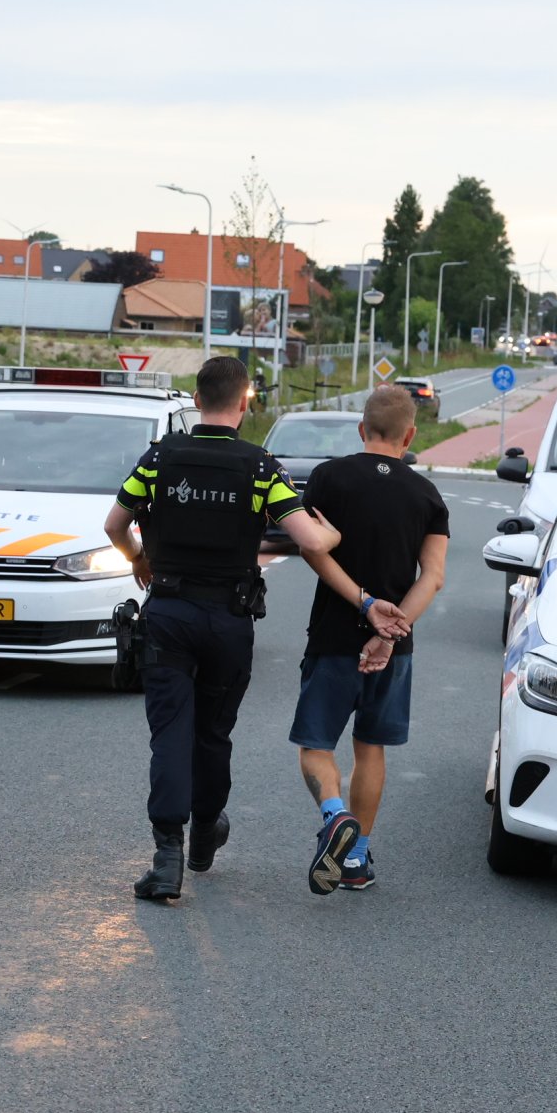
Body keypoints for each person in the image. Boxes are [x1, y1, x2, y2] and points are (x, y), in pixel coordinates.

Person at [104, 355, 341, 902]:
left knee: (170, 735)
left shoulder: (159, 459)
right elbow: (306, 540)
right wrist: (332, 537)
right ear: (245, 401)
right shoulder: (259, 467)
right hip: (229, 622)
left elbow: (115, 524)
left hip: (167, 615)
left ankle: (167, 859)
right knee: (212, 734)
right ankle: (206, 833)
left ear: (194, 397)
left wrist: (138, 558)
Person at [290, 385, 449, 893]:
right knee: (370, 749)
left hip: (335, 636)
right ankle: (356, 859)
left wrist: (362, 604)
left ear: (361, 430)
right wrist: (391, 628)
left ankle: (335, 817)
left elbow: (314, 552)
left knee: (316, 746)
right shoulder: (428, 495)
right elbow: (434, 576)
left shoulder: (328, 478)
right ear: (410, 436)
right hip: (393, 650)